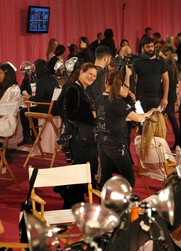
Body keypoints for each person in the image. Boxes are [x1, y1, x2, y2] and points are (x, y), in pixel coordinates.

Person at [96, 69, 153, 188]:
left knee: (106, 175)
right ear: (119, 85)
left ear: (105, 82)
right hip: (116, 144)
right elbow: (137, 118)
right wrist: (148, 114)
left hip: (103, 143)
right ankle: (123, 203)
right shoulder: (117, 102)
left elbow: (109, 116)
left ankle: (104, 200)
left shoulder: (99, 99)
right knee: (129, 179)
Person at [62, 63, 98, 208]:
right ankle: (71, 202)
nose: (92, 78)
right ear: (81, 72)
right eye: (90, 74)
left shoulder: (83, 89)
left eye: (95, 76)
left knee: (86, 167)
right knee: (81, 168)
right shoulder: (73, 89)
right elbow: (70, 113)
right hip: (78, 137)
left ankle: (75, 199)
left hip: (85, 135)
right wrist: (92, 115)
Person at [18, 59, 59, 146]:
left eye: (34, 67)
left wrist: (28, 97)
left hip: (49, 108)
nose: (33, 69)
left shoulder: (42, 80)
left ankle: (28, 137)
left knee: (22, 111)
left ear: (38, 68)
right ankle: (34, 135)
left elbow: (38, 98)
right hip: (56, 107)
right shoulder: (52, 78)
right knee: (32, 110)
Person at [134, 111, 175, 181]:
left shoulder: (138, 140)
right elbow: (171, 161)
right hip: (165, 172)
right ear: (161, 126)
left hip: (149, 171)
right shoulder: (160, 142)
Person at [134, 36, 168, 112]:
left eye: (152, 46)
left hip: (157, 97)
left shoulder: (160, 60)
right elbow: (135, 81)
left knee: (157, 122)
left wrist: (165, 98)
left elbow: (166, 79)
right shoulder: (137, 61)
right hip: (141, 97)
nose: (151, 49)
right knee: (142, 122)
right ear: (142, 48)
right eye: (148, 47)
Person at [160, 47, 180, 149]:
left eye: (161, 55)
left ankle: (165, 142)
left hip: (167, 95)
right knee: (171, 119)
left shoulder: (166, 66)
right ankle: (177, 141)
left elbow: (165, 83)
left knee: (164, 119)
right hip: (171, 95)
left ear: (166, 55)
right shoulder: (173, 66)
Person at [0, 63, 21, 138]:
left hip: (6, 122)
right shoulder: (6, 88)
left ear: (7, 74)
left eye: (0, 73)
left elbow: (2, 108)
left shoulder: (13, 89)